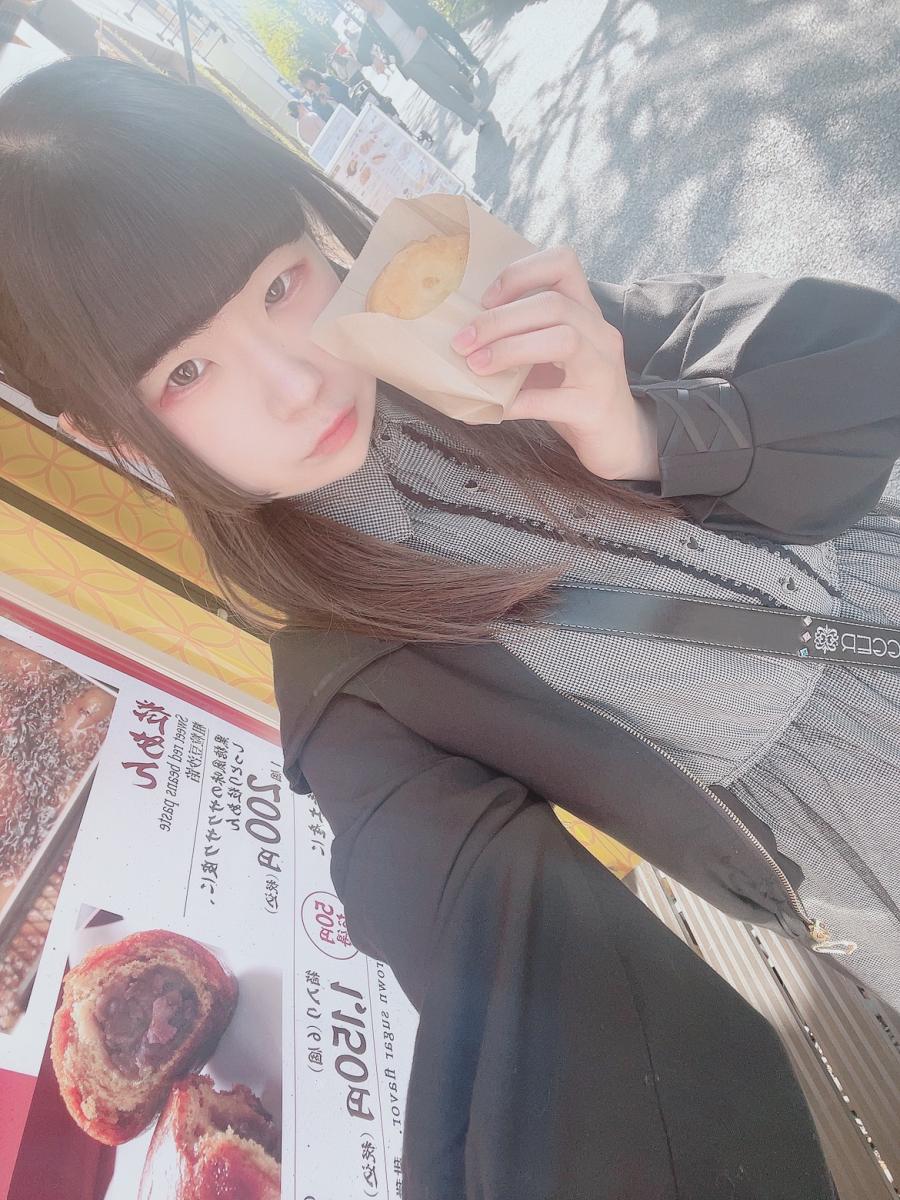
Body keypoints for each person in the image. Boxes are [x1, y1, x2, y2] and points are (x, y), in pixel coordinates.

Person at [7, 58, 900, 1195]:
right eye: (187, 370)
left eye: (279, 285)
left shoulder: (479, 335)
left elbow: (866, 363)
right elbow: (524, 1009)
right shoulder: (357, 691)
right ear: (118, 435)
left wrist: (643, 431)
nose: (295, 380)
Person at [355, 0, 494, 133]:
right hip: (410, 65)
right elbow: (360, 54)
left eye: (361, 1)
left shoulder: (393, 2)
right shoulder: (370, 25)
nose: (360, 5)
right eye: (357, 3)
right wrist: (373, 58)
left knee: (454, 75)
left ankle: (468, 95)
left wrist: (420, 24)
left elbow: (416, 8)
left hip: (424, 46)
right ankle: (474, 120)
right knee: (441, 92)